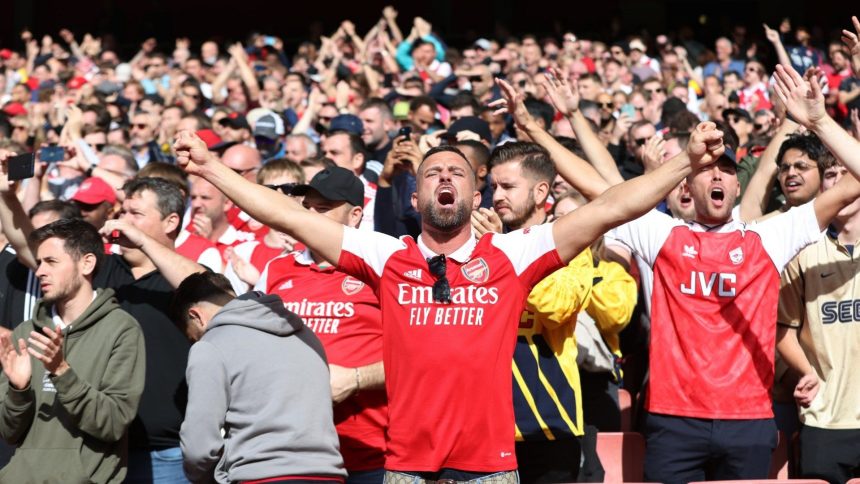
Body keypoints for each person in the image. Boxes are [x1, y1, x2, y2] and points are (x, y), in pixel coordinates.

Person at [173, 70, 727, 479]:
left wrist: (687, 163)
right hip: (405, 466)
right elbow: (288, 215)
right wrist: (210, 168)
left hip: (490, 466)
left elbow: (611, 208)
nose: (444, 177)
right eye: (432, 171)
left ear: (476, 194)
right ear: (414, 197)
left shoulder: (512, 254)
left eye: (457, 173)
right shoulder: (387, 256)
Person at [604, 64, 860, 484]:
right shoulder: (662, 234)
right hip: (673, 419)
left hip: (749, 420)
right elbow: (605, 194)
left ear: (738, 186)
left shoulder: (770, 237)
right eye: (706, 168)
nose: (717, 174)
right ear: (687, 185)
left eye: (726, 168)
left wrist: (819, 121)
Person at [0, 174, 205, 483]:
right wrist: (7, 196)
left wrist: (143, 241)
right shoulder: (102, 269)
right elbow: (32, 247)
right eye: (123, 211)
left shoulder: (183, 279)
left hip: (165, 451)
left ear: (171, 221)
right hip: (95, 449)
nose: (124, 220)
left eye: (136, 213)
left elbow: (208, 289)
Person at [256, 167, 387, 483]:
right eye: (307, 207)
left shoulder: (383, 267)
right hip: (292, 452)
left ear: (355, 216)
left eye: (324, 208)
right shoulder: (276, 269)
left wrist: (355, 379)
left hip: (368, 453)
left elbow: (420, 358)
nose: (310, 216)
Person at [0, 218, 145, 483]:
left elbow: (113, 423)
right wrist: (19, 391)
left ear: (87, 263)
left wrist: (61, 372)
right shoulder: (25, 334)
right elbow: (8, 432)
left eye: (51, 262)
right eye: (39, 262)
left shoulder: (121, 329)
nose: (40, 271)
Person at [172, 272, 346, 483]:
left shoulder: (210, 345)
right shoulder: (305, 334)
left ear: (196, 316)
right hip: (328, 473)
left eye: (193, 337)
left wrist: (206, 477)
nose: (197, 341)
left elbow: (199, 446)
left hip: (261, 474)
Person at [777, 158, 860, 483]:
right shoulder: (803, 251)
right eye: (830, 174)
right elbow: (783, 328)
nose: (838, 182)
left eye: (847, 173)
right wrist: (806, 372)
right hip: (824, 417)